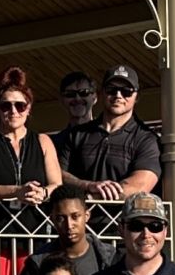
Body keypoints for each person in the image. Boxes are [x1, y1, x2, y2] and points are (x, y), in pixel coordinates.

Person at [56, 65, 159, 202]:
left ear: (137, 96)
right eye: (112, 89)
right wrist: (88, 185)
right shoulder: (76, 134)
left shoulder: (146, 138)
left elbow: (139, 185)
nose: (118, 95)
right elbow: (57, 175)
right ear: (101, 93)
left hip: (123, 222)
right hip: (78, 221)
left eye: (126, 91)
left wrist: (91, 198)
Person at [0, 67, 60, 212]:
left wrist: (43, 192)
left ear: (28, 109)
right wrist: (16, 191)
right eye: (6, 105)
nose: (13, 111)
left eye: (20, 106)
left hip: (36, 225)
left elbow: (57, 184)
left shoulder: (43, 141)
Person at [42, 181, 117, 275]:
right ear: (52, 219)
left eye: (75, 217)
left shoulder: (110, 258)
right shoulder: (39, 261)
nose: (69, 225)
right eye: (61, 218)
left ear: (86, 216)